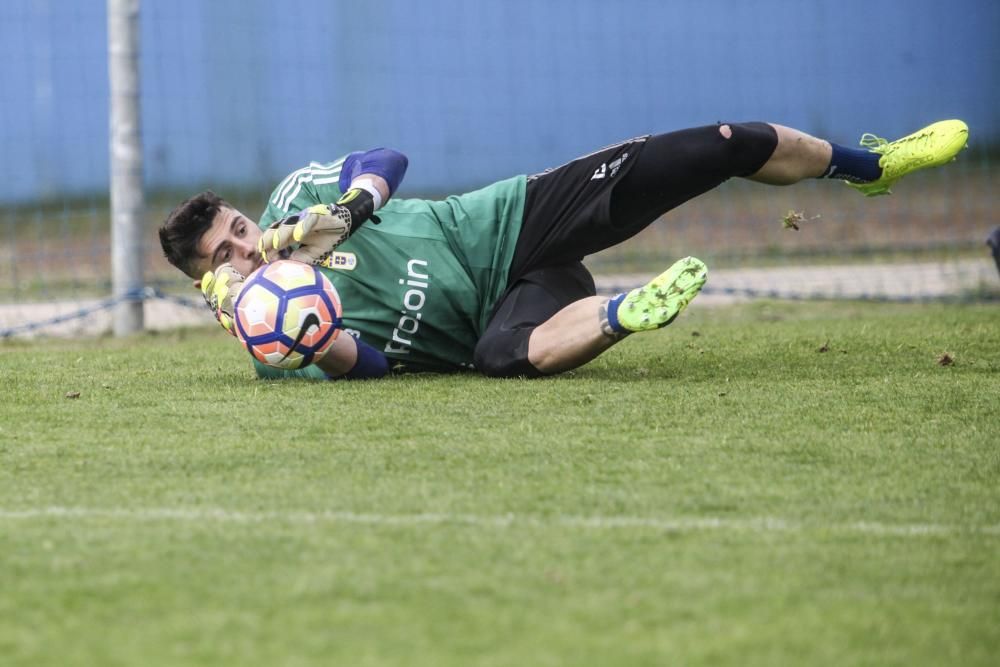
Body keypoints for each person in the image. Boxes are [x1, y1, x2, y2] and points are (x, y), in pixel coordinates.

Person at [158, 120, 969, 380]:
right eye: (223, 254)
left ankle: (874, 165)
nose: (242, 244)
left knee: (717, 143)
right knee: (505, 357)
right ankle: (625, 310)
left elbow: (387, 164)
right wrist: (326, 343)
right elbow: (371, 369)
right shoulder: (274, 338)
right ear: (209, 283)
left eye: (235, 226)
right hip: (511, 312)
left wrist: (348, 210)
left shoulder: (297, 201)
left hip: (512, 221)